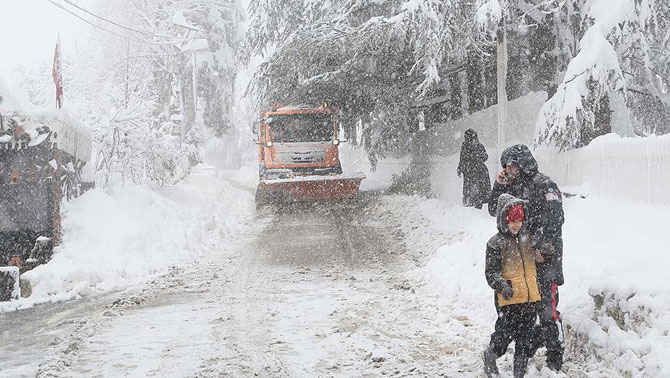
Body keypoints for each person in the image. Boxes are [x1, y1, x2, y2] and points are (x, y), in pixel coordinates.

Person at [488, 144, 565, 372]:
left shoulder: (544, 185)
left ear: (521, 164)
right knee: (523, 311)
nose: (508, 170)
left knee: (547, 310)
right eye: (506, 167)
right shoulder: (511, 186)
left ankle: (554, 356)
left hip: (544, 260)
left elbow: (554, 221)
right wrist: (499, 185)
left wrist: (544, 248)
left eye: (510, 166)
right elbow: (494, 209)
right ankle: (529, 345)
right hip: (520, 262)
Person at [483, 194, 541, 378]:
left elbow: (538, 262)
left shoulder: (528, 239)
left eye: (519, 220)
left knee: (525, 339)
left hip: (530, 298)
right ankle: (490, 355)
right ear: (503, 220)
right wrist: (502, 286)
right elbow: (491, 272)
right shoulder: (495, 243)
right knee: (503, 336)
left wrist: (545, 253)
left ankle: (519, 374)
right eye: (511, 221)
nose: (516, 225)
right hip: (509, 299)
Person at [457, 129, 491, 209]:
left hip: (473, 171)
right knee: (477, 189)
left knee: (476, 189)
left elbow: (463, 159)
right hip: (474, 171)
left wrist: (460, 168)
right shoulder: (472, 146)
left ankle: (474, 204)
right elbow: (485, 157)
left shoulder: (472, 146)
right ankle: (475, 204)